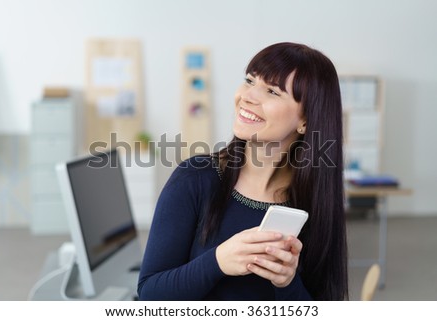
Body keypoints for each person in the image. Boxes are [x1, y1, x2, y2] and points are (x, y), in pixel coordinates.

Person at [137, 42, 348, 300]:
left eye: (272, 91)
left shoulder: (314, 201)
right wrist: (218, 261)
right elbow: (150, 294)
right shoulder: (194, 178)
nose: (247, 96)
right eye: (250, 81)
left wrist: (287, 283)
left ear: (305, 120)